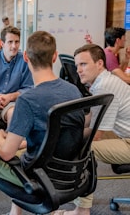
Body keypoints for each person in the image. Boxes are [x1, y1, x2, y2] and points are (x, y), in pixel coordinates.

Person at [0, 31, 85, 215]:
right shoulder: (74, 91)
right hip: (71, 173)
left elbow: (6, 154)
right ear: (55, 57)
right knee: (23, 150)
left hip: (38, 177)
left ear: (26, 57)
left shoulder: (27, 100)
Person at [53, 44, 130, 215]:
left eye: (83, 64)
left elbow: (95, 134)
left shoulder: (104, 87)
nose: (78, 70)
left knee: (86, 149)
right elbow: (90, 119)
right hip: (123, 132)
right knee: (77, 137)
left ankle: (82, 210)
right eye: (77, 65)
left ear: (100, 64)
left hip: (128, 140)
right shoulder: (102, 82)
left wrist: (61, 140)